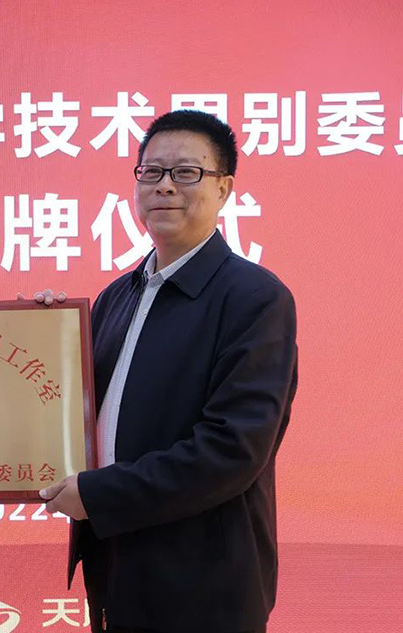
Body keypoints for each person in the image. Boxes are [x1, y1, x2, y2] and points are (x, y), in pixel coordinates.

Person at [39, 110, 298, 633]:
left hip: (202, 583)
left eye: (186, 172)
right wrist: (41, 336)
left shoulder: (255, 298)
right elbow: (75, 413)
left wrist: (99, 495)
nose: (164, 186)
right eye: (151, 172)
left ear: (224, 189)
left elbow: (232, 450)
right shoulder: (116, 296)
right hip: (114, 564)